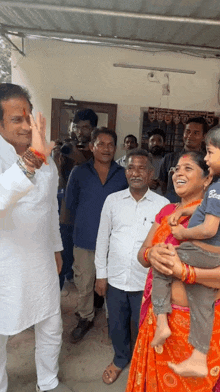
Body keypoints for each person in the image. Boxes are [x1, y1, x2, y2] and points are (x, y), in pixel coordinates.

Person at [126, 151, 220, 392]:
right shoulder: (167, 212)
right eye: (176, 168)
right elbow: (142, 254)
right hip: (159, 320)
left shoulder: (215, 217)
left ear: (207, 179)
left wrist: (183, 271)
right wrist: (151, 254)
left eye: (188, 169)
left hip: (200, 324)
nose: (179, 172)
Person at [0, 83, 72, 392]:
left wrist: (56, 250)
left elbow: (49, 208)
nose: (27, 125)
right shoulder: (32, 155)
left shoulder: (47, 161)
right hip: (5, 263)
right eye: (17, 118)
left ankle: (48, 381)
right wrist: (31, 158)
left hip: (41, 258)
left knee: (50, 324)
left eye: (29, 116)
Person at [94, 149, 169, 385]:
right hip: (115, 278)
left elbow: (166, 245)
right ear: (125, 172)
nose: (135, 173)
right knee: (116, 324)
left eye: (140, 168)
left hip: (146, 282)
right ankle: (120, 359)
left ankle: (144, 364)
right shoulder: (113, 201)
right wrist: (101, 275)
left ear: (150, 173)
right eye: (130, 168)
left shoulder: (163, 205)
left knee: (145, 327)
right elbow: (102, 239)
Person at [65, 127, 128, 343]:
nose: (106, 148)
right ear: (92, 147)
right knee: (84, 283)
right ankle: (85, 317)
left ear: (116, 148)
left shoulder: (122, 175)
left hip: (114, 242)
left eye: (110, 144)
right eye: (101, 144)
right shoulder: (79, 172)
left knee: (113, 284)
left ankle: (115, 320)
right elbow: (70, 206)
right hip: (85, 239)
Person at [56, 109, 97, 289]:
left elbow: (95, 182)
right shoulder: (68, 149)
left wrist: (79, 159)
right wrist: (58, 163)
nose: (81, 132)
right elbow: (61, 183)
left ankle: (88, 306)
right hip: (66, 214)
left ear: (93, 129)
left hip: (88, 217)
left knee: (87, 266)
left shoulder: (98, 152)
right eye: (78, 127)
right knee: (61, 260)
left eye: (86, 128)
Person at [159, 117, 208, 202]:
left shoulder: (207, 160)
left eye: (195, 133)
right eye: (187, 131)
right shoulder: (169, 158)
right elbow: (162, 184)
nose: (190, 136)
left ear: (204, 137)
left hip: (197, 209)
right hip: (171, 207)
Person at [147, 128, 166, 195]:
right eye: (152, 141)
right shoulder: (141, 161)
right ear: (148, 143)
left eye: (159, 141)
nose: (155, 143)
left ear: (164, 144)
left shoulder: (168, 161)